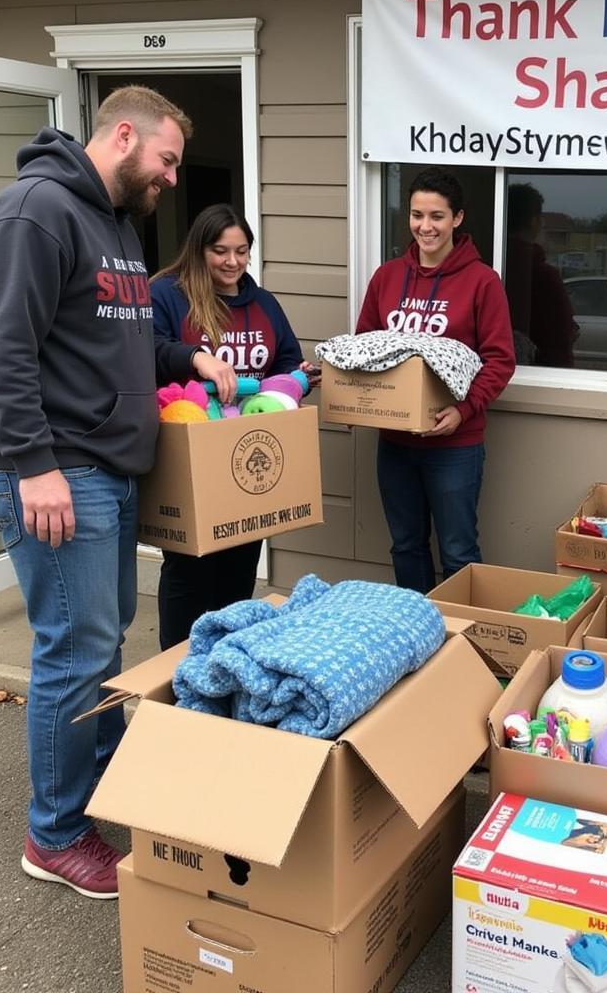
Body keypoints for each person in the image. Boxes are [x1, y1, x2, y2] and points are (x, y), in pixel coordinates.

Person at [0, 85, 223, 899]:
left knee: (105, 634)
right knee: (73, 648)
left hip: (105, 470)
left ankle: (105, 773)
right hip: (57, 469)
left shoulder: (116, 228)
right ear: (125, 135)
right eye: (166, 160)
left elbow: (120, 345)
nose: (170, 179)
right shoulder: (33, 214)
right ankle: (54, 834)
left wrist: (187, 360)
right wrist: (32, 464)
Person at [150, 203, 318, 650]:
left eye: (241, 251)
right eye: (221, 251)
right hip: (190, 457)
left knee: (239, 568)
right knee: (190, 572)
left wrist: (295, 379)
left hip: (248, 454)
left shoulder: (262, 304)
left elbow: (285, 361)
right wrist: (195, 358)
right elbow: (148, 350)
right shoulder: (168, 295)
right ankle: (178, 670)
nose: (232, 262)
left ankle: (226, 664)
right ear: (198, 249)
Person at [356, 167, 515, 593]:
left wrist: (463, 411)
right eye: (416, 215)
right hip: (396, 441)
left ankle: (464, 643)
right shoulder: (387, 277)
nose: (425, 226)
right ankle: (417, 636)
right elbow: (365, 348)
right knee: (405, 545)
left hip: (453, 445)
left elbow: (500, 360)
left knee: (459, 550)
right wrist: (356, 399)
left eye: (437, 216)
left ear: (457, 219)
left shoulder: (483, 282)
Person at [504, 182, 578, 367]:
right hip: (543, 372)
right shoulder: (543, 275)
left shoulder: (488, 265)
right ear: (533, 221)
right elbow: (564, 333)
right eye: (540, 218)